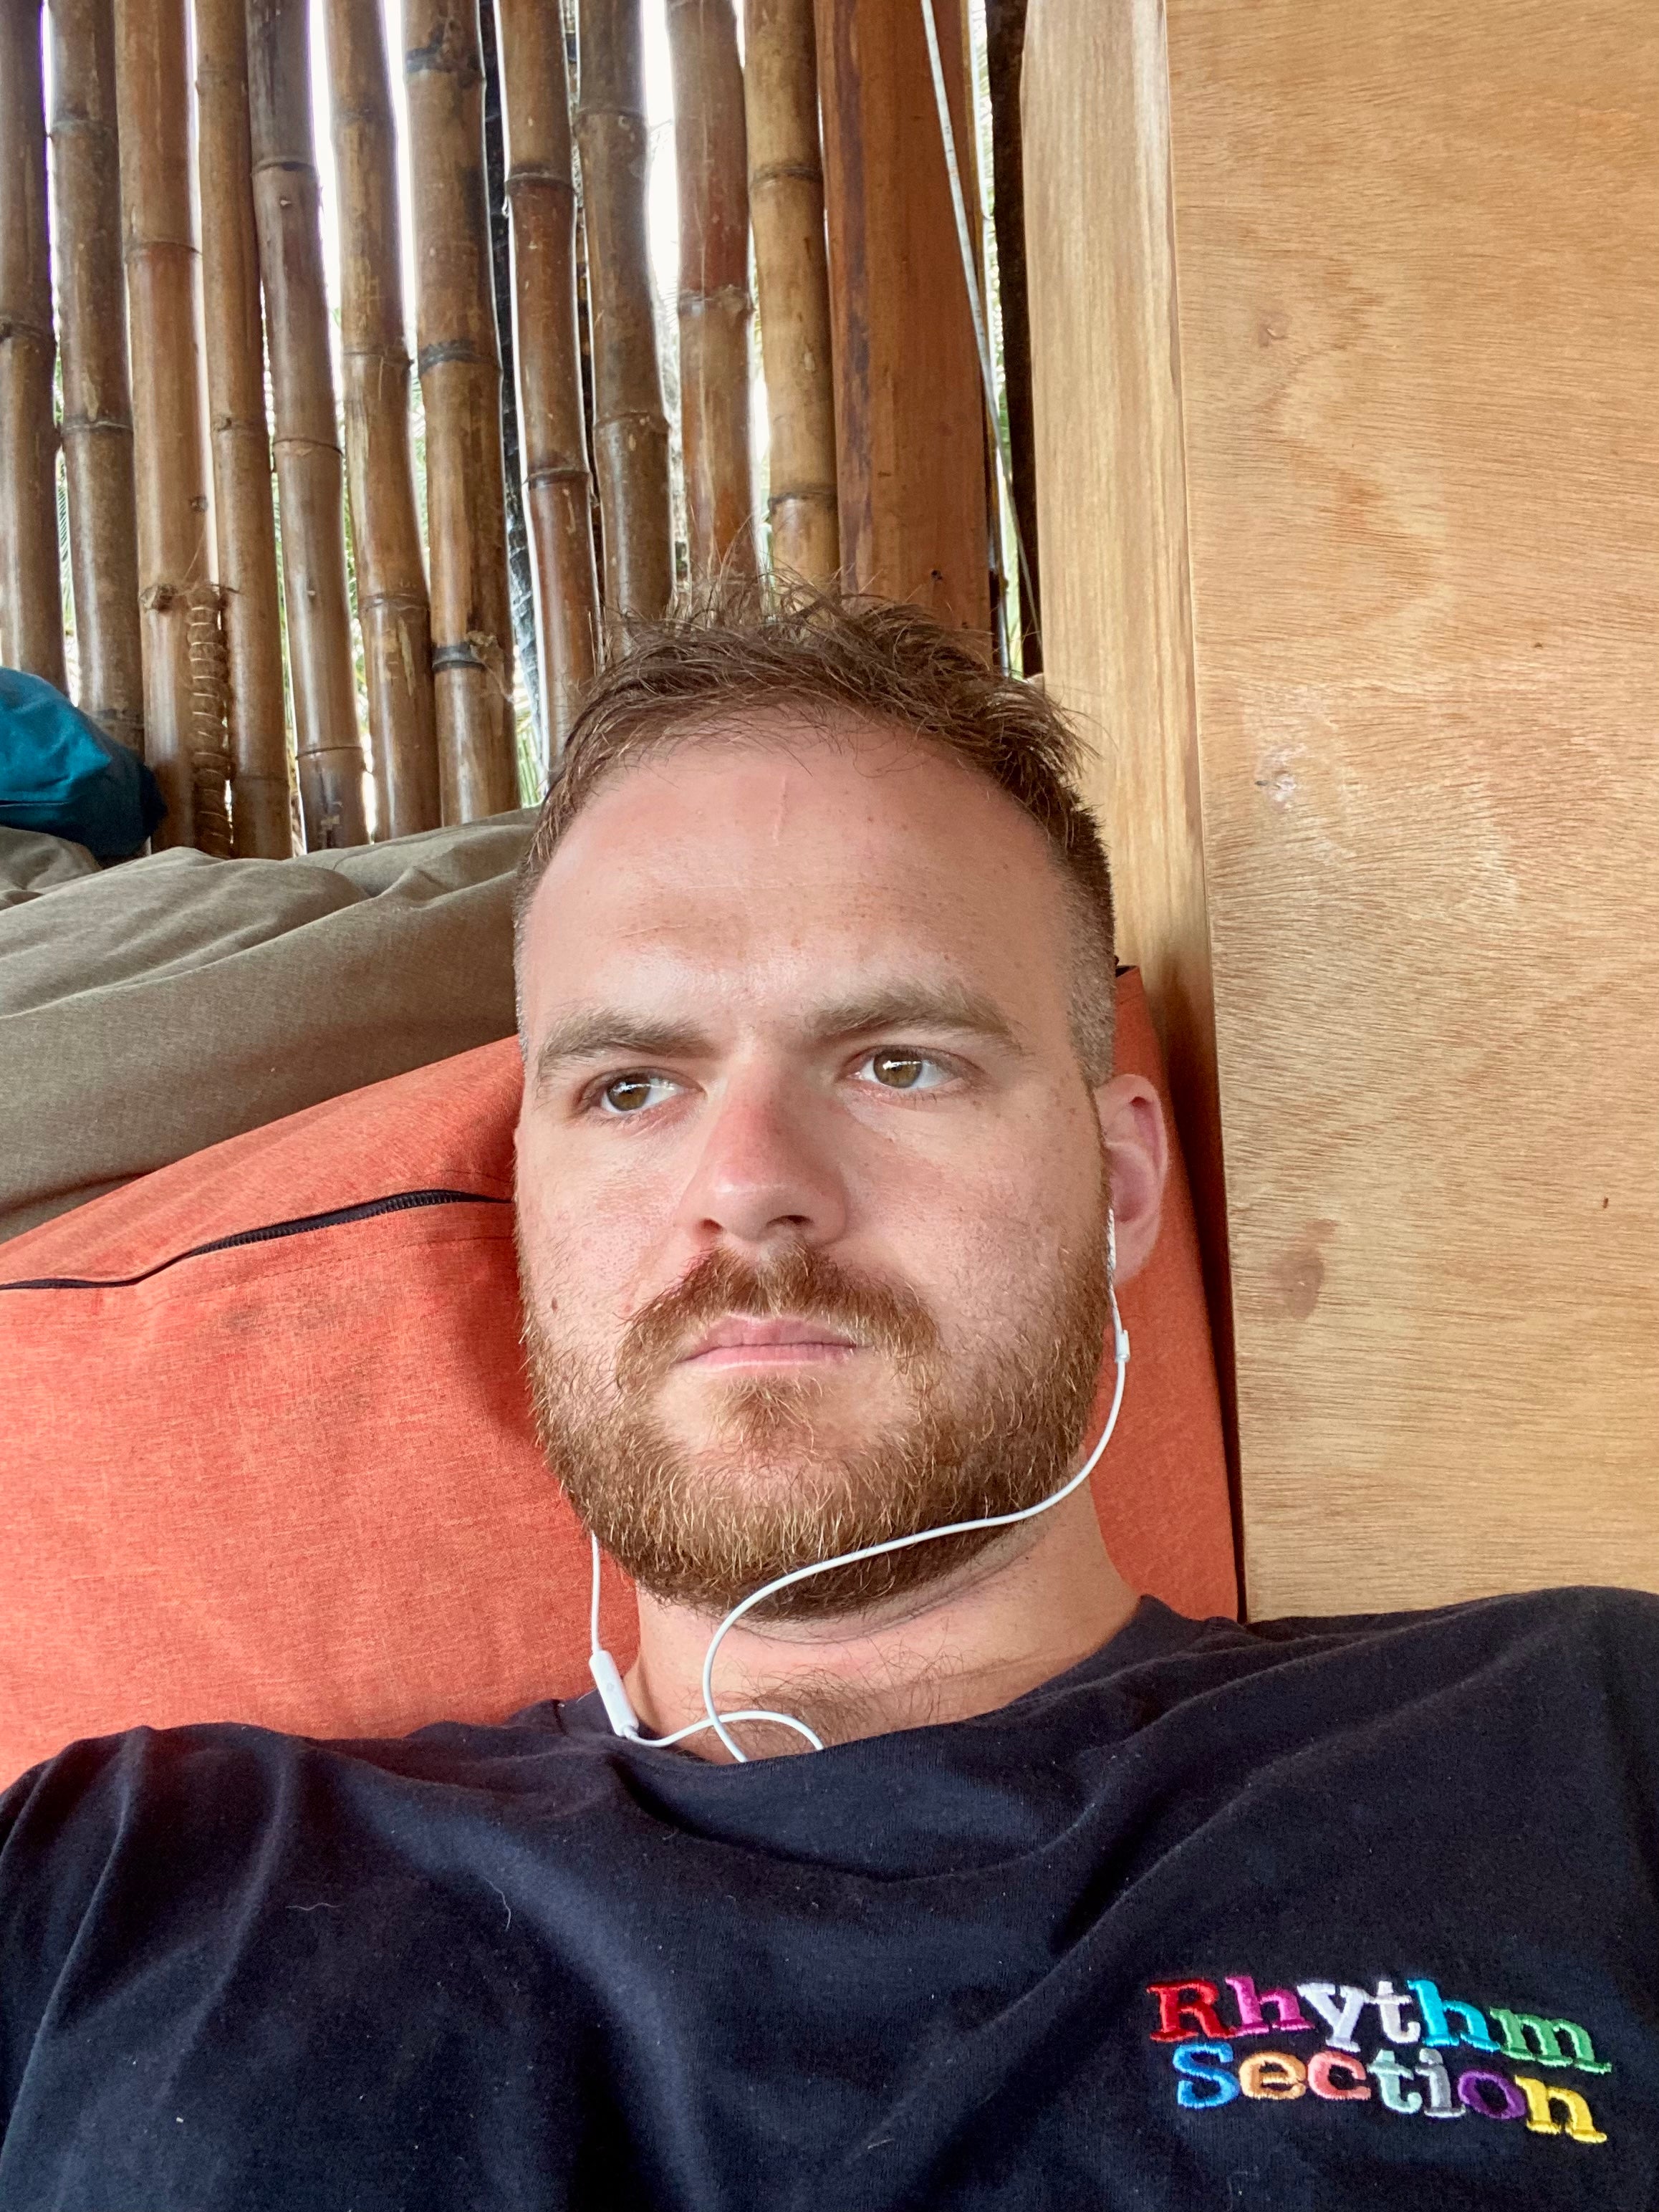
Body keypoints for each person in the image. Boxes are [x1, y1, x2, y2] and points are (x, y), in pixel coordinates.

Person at [1, 595, 1655, 2211]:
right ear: (529, 1203)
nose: (748, 1183)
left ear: (1121, 1183)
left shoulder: (1583, 1752)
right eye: (630, 1086)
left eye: (898, 1059)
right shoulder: (121, 1879)